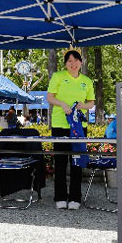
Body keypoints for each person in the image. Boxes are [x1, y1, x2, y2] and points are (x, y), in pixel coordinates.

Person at [46, 49, 95, 210]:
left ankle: (75, 197)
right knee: (60, 162)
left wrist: (83, 106)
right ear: (65, 63)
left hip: (79, 127)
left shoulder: (87, 81)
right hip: (60, 125)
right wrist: (62, 104)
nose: (73, 64)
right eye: (69, 61)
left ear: (81, 62)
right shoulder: (58, 76)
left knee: (77, 162)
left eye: (76, 60)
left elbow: (91, 103)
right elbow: (50, 97)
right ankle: (60, 197)